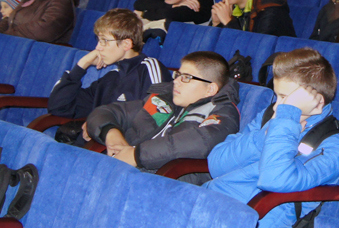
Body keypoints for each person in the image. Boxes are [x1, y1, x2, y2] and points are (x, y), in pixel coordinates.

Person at [204, 48, 339, 228]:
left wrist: (286, 120)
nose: (277, 106)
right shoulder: (270, 117)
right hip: (209, 206)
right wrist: (265, 135)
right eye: (277, 96)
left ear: (317, 102)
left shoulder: (332, 147)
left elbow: (274, 179)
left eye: (285, 98)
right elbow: (216, 165)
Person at [86, 52, 240, 173]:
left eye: (186, 78)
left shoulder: (222, 113)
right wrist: (111, 134)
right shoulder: (164, 99)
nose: (176, 81)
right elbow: (107, 112)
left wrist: (136, 155)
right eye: (178, 75)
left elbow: (200, 142)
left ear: (210, 89)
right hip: (122, 169)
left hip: (161, 182)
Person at [48, 8, 167, 124]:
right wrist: (81, 65)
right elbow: (59, 108)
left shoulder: (150, 69)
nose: (97, 48)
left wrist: (103, 127)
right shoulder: (110, 79)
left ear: (126, 44)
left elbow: (158, 116)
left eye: (104, 41)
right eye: (99, 41)